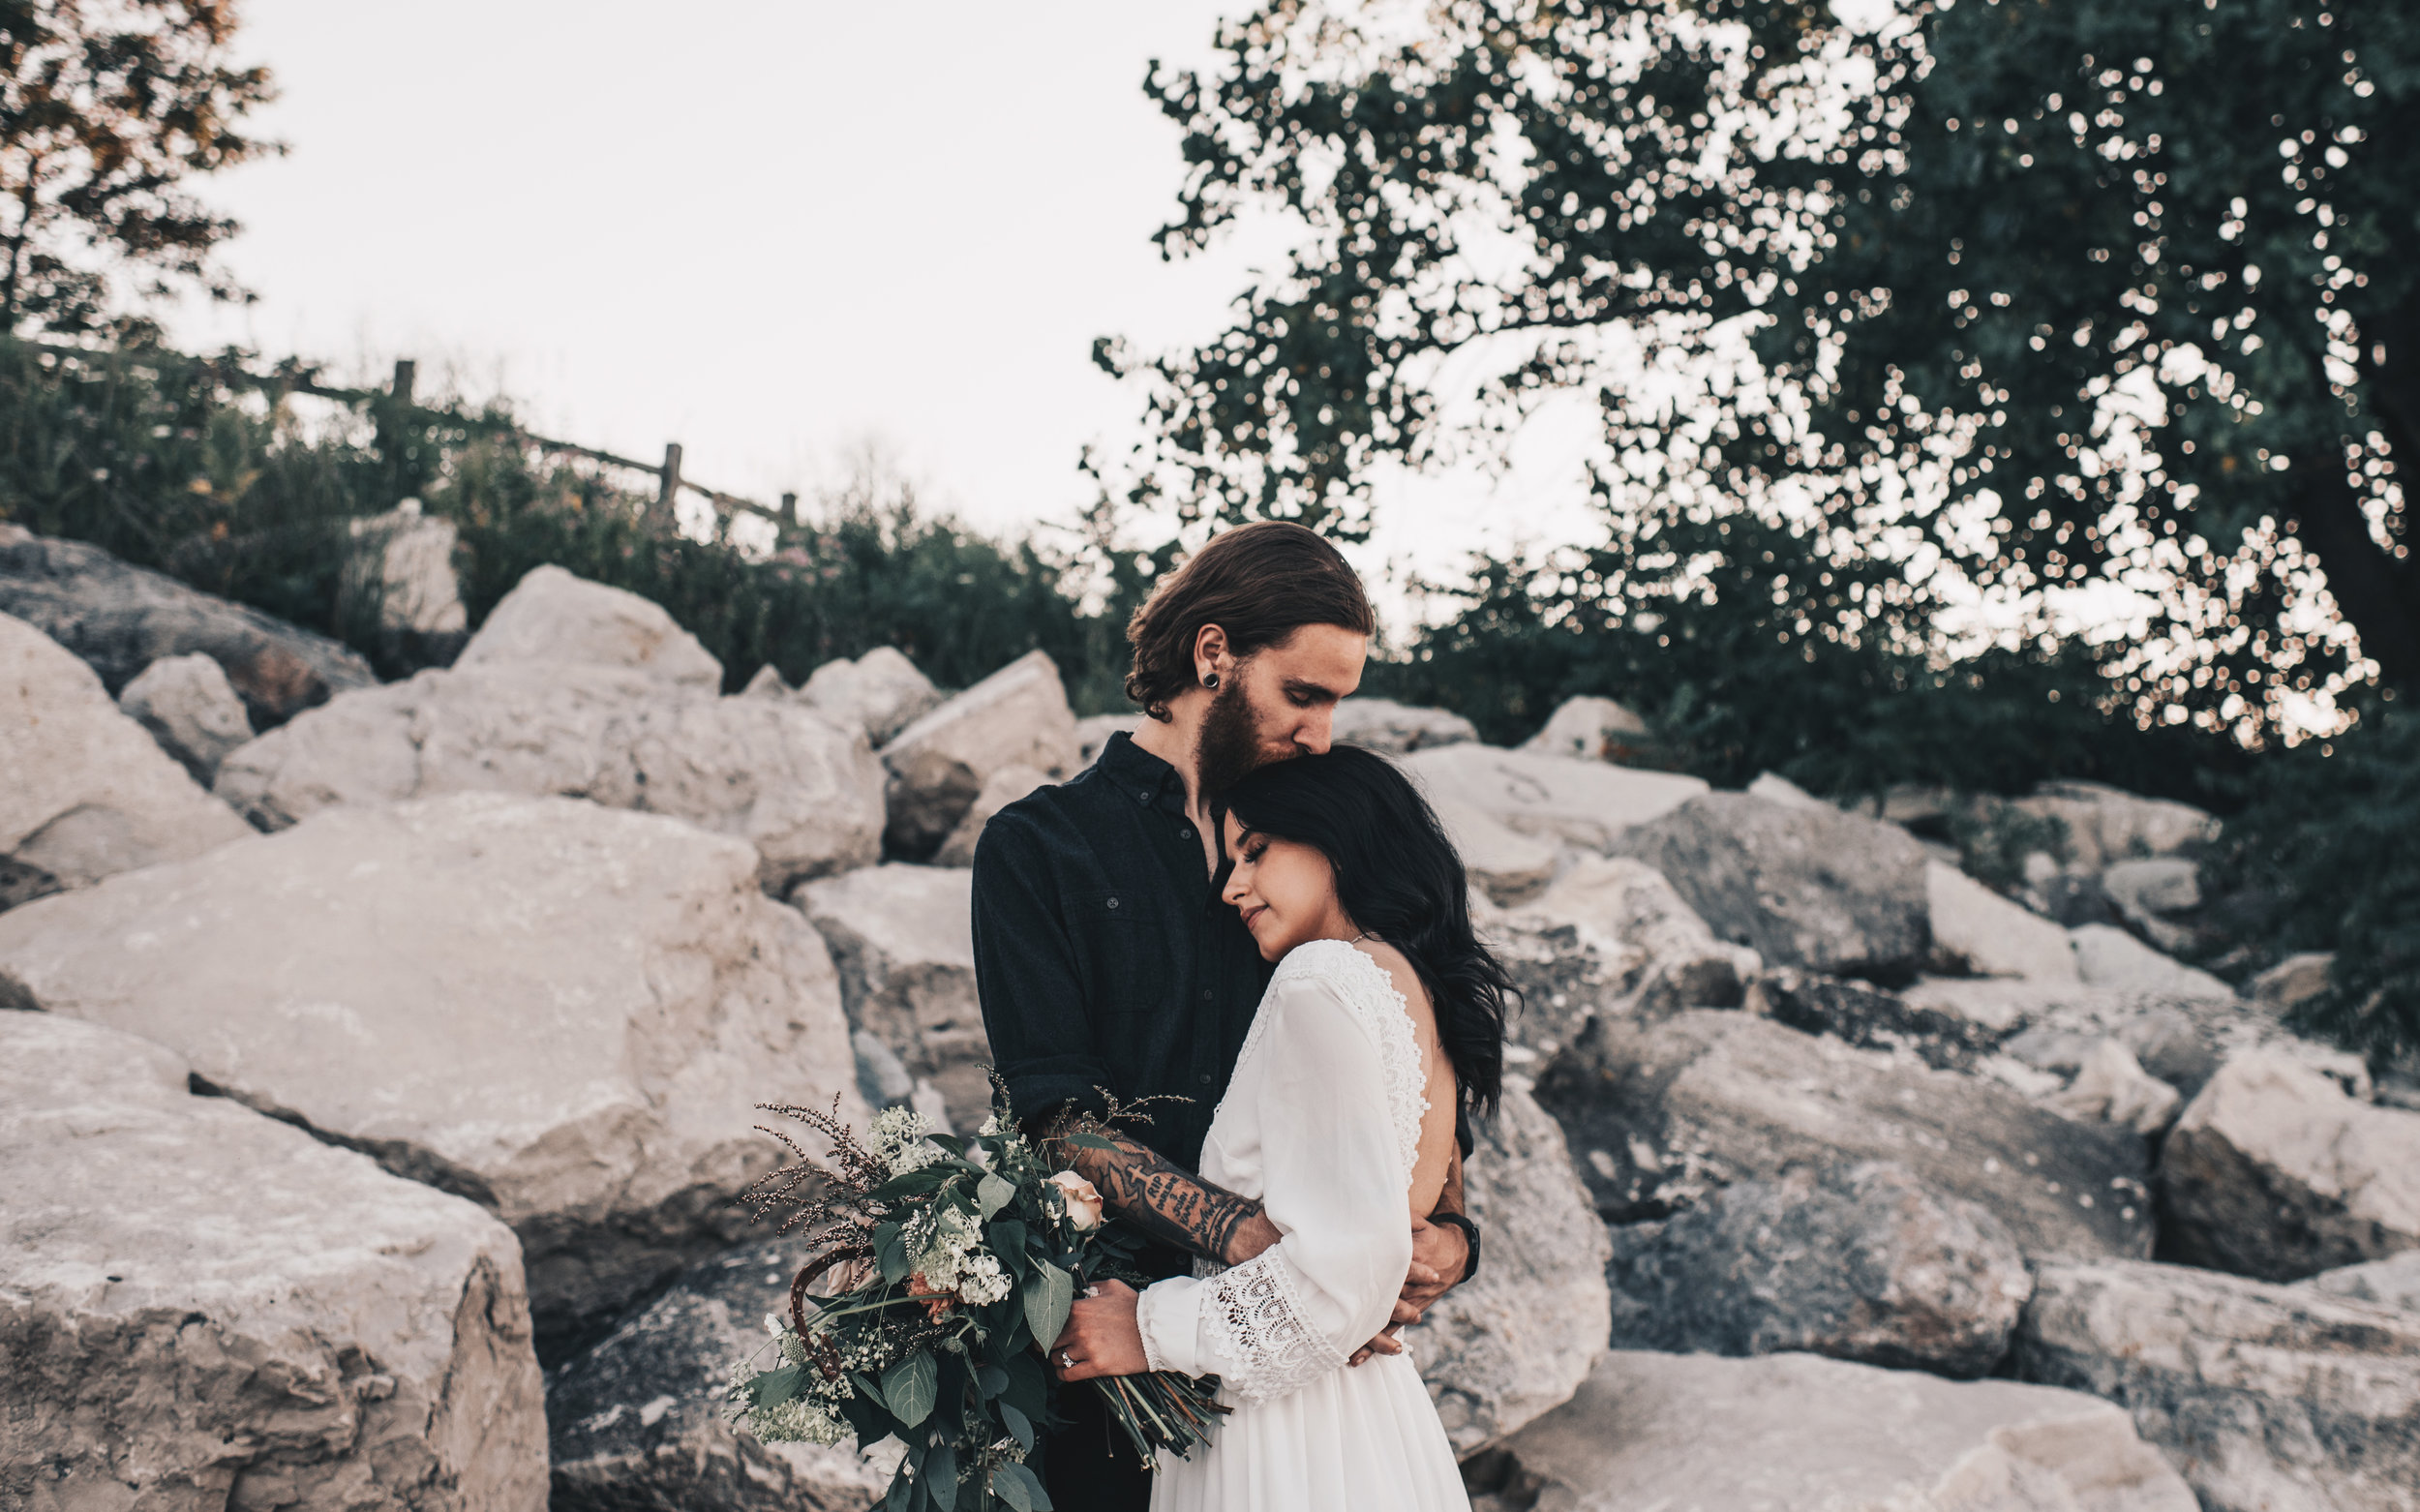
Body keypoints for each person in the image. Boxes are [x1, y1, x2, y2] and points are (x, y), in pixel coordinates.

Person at [972, 523, 1479, 1510]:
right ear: (1214, 654)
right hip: (1101, 1342)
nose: (1324, 731)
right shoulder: (1042, 845)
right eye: (1305, 693)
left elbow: (1406, 1038)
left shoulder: (1320, 836)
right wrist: (1259, 1240)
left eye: (1337, 700)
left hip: (1296, 1373)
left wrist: (1447, 1232)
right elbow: (1053, 1116)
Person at [1046, 745, 1511, 1511]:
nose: (1233, 888)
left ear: (1339, 837)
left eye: (1257, 852)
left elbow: (1346, 1267)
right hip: (1366, 1410)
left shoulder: (1319, 980)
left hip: (1284, 1431)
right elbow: (1384, 1241)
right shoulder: (1414, 990)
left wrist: (1147, 1325)